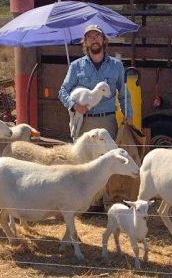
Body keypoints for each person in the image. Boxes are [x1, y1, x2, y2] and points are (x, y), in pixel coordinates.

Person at [59, 24, 133, 214]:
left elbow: (124, 94)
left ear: (104, 40)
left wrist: (129, 115)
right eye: (89, 37)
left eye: (97, 36)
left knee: (108, 160)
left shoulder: (116, 66)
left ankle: (108, 201)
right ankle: (87, 204)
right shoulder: (76, 66)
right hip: (85, 123)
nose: (94, 40)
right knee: (84, 163)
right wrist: (74, 106)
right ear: (85, 42)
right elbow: (63, 91)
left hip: (107, 121)